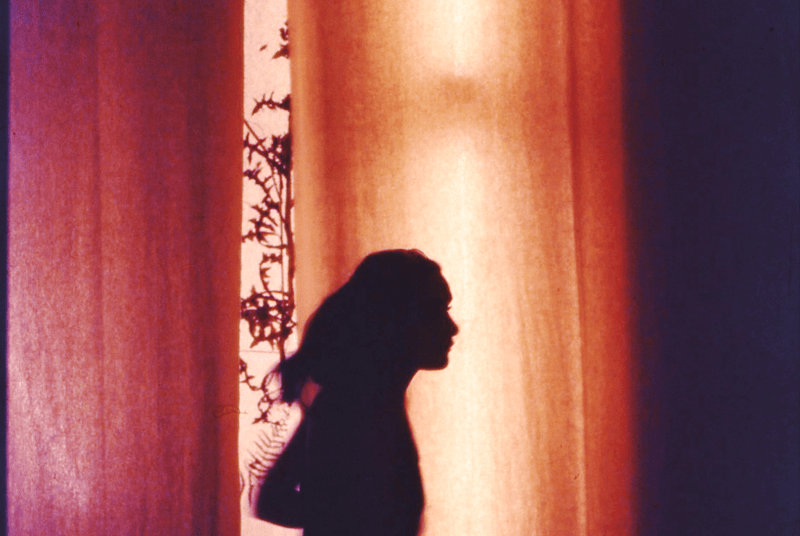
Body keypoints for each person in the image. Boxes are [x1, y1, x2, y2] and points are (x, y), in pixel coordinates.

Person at [257, 249, 458, 536]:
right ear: (395, 319)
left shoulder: (358, 401)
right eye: (434, 310)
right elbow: (273, 500)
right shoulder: (353, 408)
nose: (452, 327)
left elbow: (273, 499)